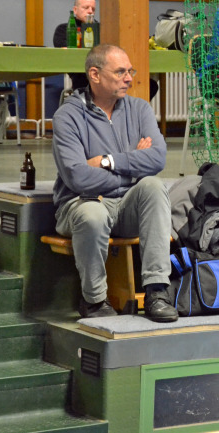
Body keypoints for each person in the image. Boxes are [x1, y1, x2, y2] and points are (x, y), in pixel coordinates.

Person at [51, 44, 177, 322]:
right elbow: (77, 176)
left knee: (154, 187)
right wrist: (133, 165)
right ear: (94, 75)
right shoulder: (68, 116)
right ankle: (94, 301)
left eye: (130, 71)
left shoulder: (139, 109)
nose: (129, 78)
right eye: (120, 72)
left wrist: (107, 161)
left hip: (126, 204)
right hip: (83, 203)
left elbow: (157, 159)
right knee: (92, 214)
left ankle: (157, 291)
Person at [53, 0, 99, 92]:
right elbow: (66, 53)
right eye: (86, 8)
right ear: (75, 10)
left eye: (93, 9)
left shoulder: (100, 29)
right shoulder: (64, 29)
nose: (90, 11)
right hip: (80, 71)